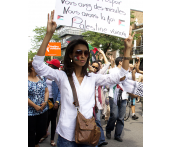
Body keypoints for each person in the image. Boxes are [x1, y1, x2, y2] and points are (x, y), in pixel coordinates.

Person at [32, 10, 136, 147]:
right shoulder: (61, 76)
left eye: (85, 53)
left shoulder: (93, 78)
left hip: (87, 133)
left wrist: (127, 49)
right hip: (66, 136)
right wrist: (48, 34)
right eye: (78, 52)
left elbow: (120, 76)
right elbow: (38, 65)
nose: (82, 56)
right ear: (70, 55)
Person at [106, 57, 130, 142]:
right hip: (113, 96)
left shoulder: (127, 72)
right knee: (114, 115)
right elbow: (113, 79)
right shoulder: (113, 70)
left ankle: (117, 135)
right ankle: (108, 129)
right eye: (125, 61)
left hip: (123, 97)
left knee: (121, 117)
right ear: (120, 62)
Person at [39, 59, 61, 146]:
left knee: (53, 120)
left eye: (50, 65)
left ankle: (52, 139)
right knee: (45, 119)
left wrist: (57, 102)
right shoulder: (45, 75)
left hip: (54, 101)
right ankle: (44, 133)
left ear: (53, 66)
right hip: (46, 100)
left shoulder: (58, 77)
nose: (49, 66)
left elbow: (60, 91)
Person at [28, 61, 49, 147]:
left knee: (42, 131)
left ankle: (36, 142)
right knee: (30, 132)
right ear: (32, 68)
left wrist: (45, 102)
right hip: (30, 112)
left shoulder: (41, 78)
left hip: (43, 110)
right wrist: (34, 105)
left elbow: (46, 91)